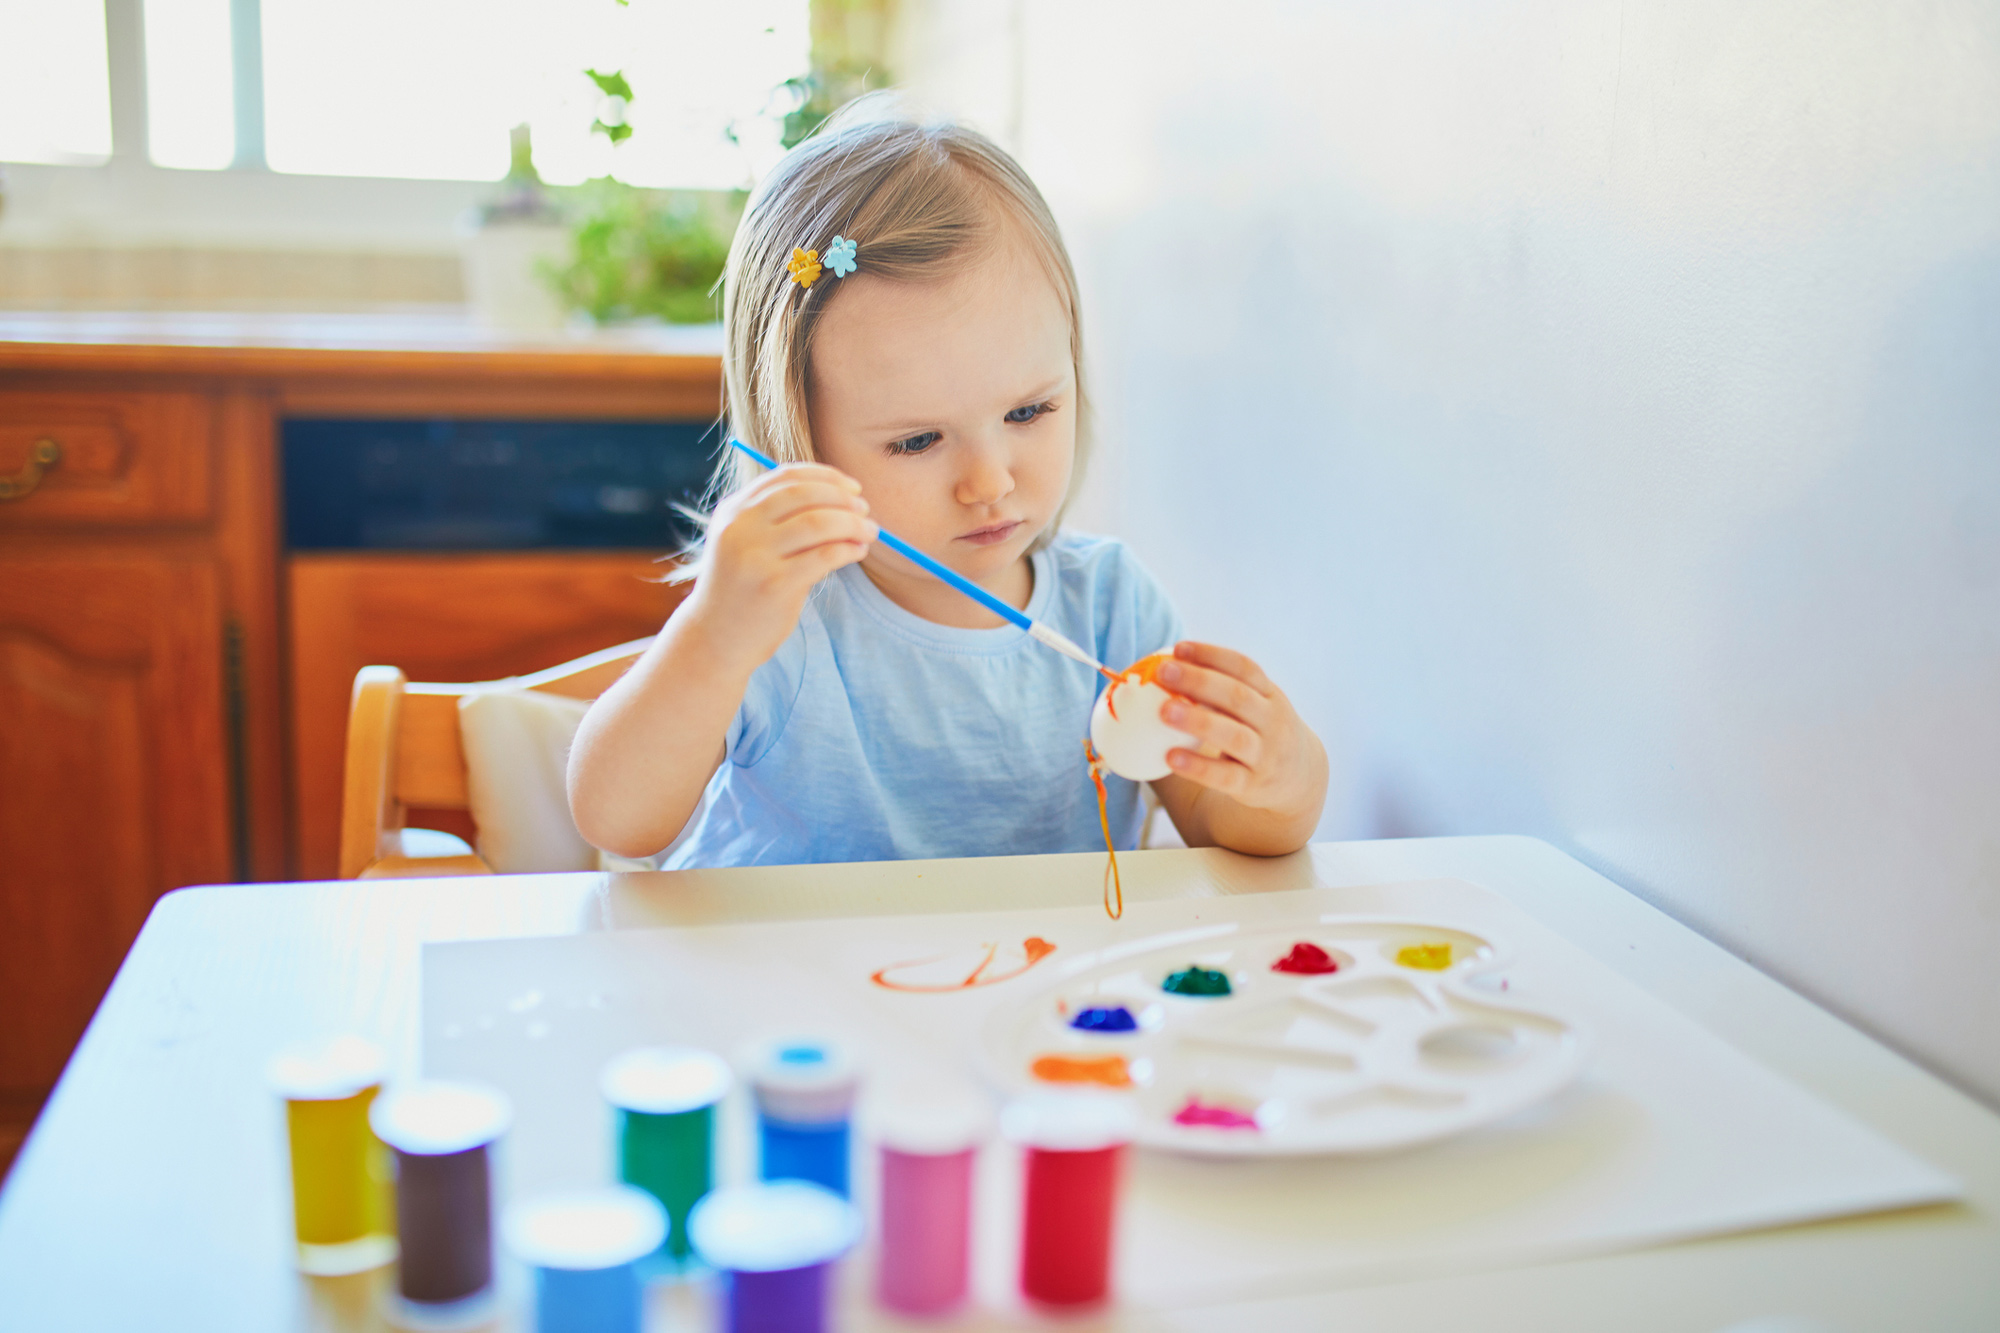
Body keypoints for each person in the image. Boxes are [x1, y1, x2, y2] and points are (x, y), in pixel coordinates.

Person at [568, 97, 1327, 869]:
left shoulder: (1109, 607)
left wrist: (1283, 781)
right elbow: (614, 819)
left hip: (1039, 986)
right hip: (793, 981)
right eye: (917, 440)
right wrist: (714, 637)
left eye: (1029, 409)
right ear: (797, 441)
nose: (989, 480)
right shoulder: (779, 623)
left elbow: (1218, 828)